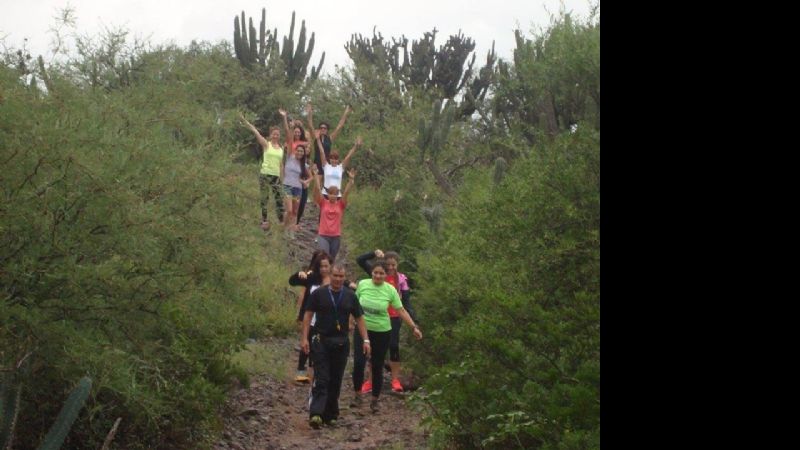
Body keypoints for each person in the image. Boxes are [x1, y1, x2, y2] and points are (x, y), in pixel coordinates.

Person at [301, 263, 370, 428]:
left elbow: (359, 318)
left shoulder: (350, 296)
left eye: (341, 276)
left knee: (336, 378)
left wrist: (366, 340)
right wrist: (304, 338)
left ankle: (331, 414)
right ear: (330, 275)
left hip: (341, 342)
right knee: (322, 377)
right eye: (335, 276)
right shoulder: (319, 294)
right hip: (321, 339)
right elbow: (308, 315)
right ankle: (316, 413)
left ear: (344, 278)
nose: (338, 279)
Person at [352, 260, 422, 412]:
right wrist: (348, 321)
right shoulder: (363, 284)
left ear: (386, 274)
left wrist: (413, 327)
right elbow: (354, 305)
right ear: (371, 273)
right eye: (375, 273)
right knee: (358, 363)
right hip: (362, 330)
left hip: (382, 331)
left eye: (381, 273)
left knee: (377, 365)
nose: (378, 276)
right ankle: (357, 395)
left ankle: (375, 400)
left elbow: (401, 310)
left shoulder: (390, 290)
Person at [289, 251, 332, 383]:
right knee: (306, 343)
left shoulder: (335, 280)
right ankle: (301, 371)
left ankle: (316, 373)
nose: (323, 269)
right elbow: (292, 281)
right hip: (310, 318)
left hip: (327, 320)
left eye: (326, 266)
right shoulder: (312, 278)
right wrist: (299, 274)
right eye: (321, 266)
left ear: (330, 266)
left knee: (320, 347)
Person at [239, 113, 284, 231]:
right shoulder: (266, 144)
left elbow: (281, 165)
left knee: (279, 199)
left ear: (279, 136)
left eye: (277, 134)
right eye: (274, 134)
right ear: (271, 135)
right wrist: (245, 121)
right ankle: (264, 220)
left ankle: (281, 221)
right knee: (265, 198)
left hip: (276, 176)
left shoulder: (281, 149)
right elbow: (255, 131)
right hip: (265, 174)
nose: (276, 136)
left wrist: (282, 178)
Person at [306, 104, 361, 196]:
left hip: (328, 163)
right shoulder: (315, 138)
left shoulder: (330, 138)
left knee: (328, 184)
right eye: (321, 128)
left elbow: (339, 126)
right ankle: (316, 202)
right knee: (317, 185)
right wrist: (309, 114)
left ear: (327, 130)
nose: (323, 129)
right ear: (319, 129)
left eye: (325, 128)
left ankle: (328, 200)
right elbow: (310, 125)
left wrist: (345, 113)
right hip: (318, 163)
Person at [310, 165, 355, 262]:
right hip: (323, 235)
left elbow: (346, 192)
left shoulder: (341, 204)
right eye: (331, 194)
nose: (333, 196)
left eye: (335, 194)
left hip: (336, 236)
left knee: (331, 260)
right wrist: (316, 175)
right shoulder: (323, 202)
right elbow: (318, 189)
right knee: (324, 257)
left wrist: (351, 180)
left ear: (337, 195)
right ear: (328, 194)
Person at [281, 142, 312, 236]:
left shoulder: (304, 165)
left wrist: (305, 182)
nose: (299, 152)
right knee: (289, 210)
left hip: (298, 189)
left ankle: (291, 231)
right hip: (287, 186)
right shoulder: (290, 158)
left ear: (304, 153)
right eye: (298, 150)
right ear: (295, 151)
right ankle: (284, 228)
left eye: (301, 151)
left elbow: (311, 177)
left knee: (295, 211)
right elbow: (289, 139)